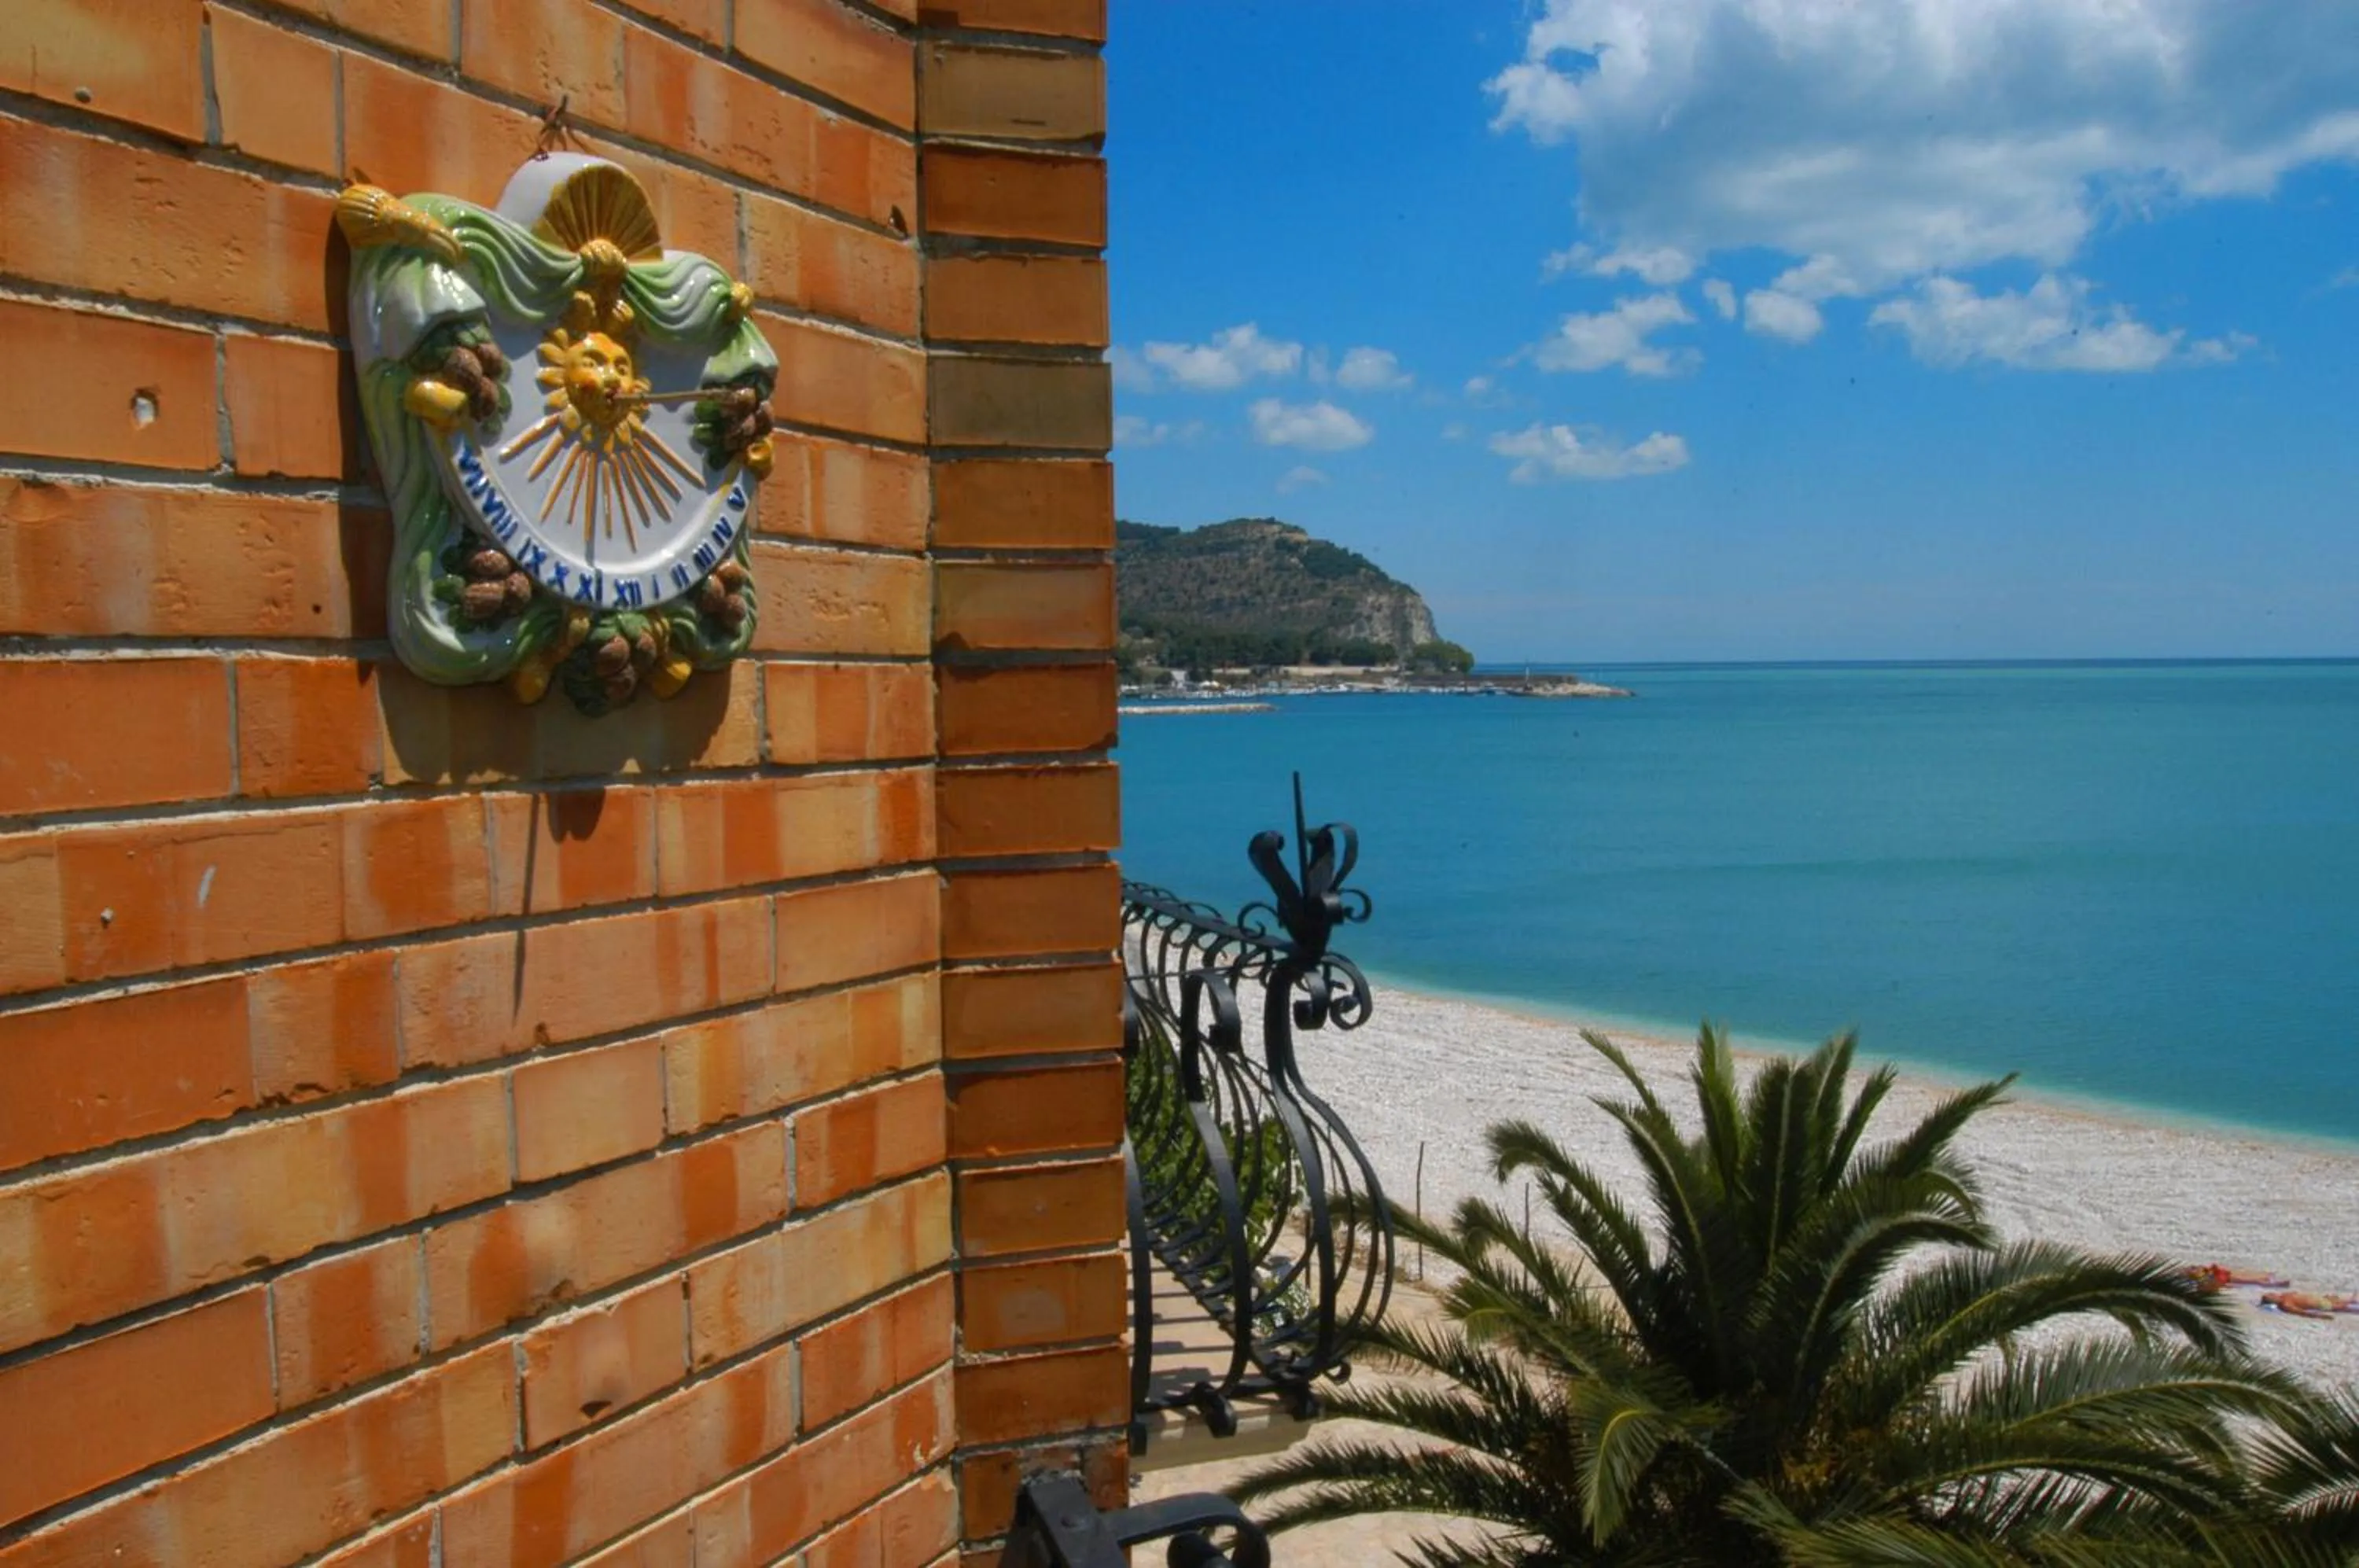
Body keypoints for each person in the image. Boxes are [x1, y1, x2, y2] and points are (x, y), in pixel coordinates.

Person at [2258, 1290, 2359, 1319]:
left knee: (2345, 1302)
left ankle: (2353, 1302)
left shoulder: (2285, 1295)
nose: (2274, 1293)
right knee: (2345, 1308)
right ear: (2273, 1301)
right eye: (2271, 1295)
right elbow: (2301, 1313)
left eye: (2271, 1293)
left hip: (2320, 1299)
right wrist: (2320, 1316)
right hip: (2320, 1305)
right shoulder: (2285, 1305)